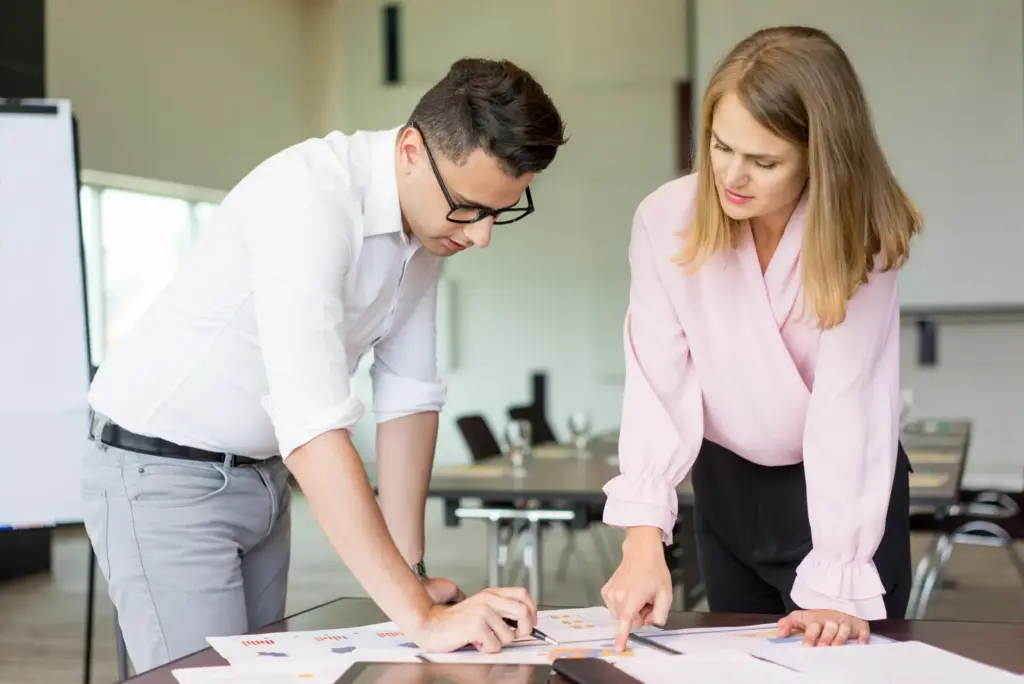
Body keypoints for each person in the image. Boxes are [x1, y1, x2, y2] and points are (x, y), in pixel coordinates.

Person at [81, 57, 568, 672]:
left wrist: (412, 579)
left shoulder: (427, 225)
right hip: (160, 469)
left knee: (265, 673)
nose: (482, 236)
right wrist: (421, 618)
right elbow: (311, 427)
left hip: (261, 476)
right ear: (413, 150)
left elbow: (410, 394)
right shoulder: (309, 199)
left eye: (502, 212)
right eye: (471, 208)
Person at [600, 26, 922, 649]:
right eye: (721, 147)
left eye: (765, 161)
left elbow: (850, 405)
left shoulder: (863, 237)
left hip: (842, 493)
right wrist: (643, 539)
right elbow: (656, 382)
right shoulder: (666, 219)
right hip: (726, 486)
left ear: (819, 157)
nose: (732, 177)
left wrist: (836, 578)